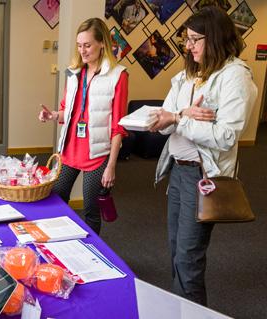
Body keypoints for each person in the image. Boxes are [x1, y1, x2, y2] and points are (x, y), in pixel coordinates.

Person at [150, 6, 257, 305]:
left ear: (216, 37)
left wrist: (179, 120)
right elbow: (162, 123)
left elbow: (226, 136)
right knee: (175, 250)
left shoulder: (235, 76)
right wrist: (181, 114)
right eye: (186, 39)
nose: (188, 46)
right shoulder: (189, 73)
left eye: (195, 39)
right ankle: (179, 309)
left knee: (188, 259)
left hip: (202, 176)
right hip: (178, 171)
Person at [39, 17, 128, 234]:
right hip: (70, 149)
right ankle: (60, 244)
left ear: (102, 44)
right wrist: (52, 115)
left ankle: (90, 255)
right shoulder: (73, 72)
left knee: (90, 209)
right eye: (79, 46)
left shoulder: (118, 75)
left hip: (97, 154)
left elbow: (118, 125)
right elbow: (67, 111)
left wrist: (111, 165)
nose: (82, 51)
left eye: (87, 45)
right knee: (56, 198)